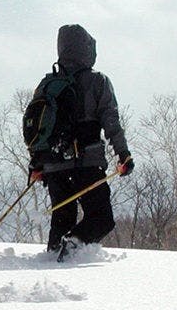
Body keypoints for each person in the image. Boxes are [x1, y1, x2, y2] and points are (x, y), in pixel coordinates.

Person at [28, 24, 135, 262]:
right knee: (101, 218)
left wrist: (36, 163)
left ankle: (52, 265)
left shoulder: (47, 84)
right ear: (87, 49)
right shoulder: (98, 81)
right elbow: (111, 122)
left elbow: (37, 127)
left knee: (61, 220)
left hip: (54, 166)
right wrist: (123, 154)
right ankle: (73, 246)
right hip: (86, 164)